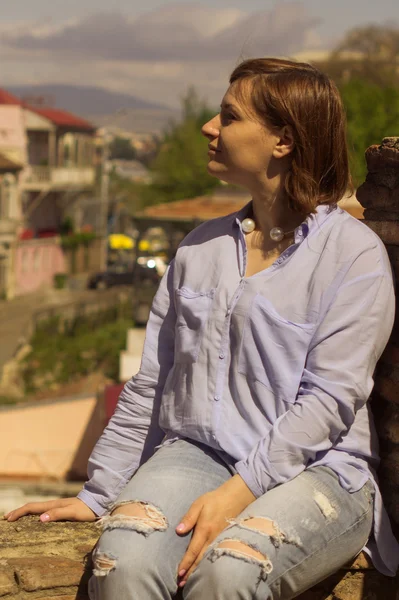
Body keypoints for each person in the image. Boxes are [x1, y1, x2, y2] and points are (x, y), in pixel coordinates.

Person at [5, 58, 399, 599]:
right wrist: (99, 494)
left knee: (231, 569)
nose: (208, 128)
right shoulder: (198, 249)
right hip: (197, 454)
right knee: (119, 565)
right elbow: (151, 383)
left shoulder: (353, 256)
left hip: (321, 469)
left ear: (283, 140)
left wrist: (241, 492)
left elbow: (330, 400)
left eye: (228, 117)